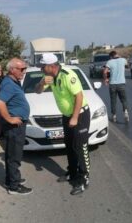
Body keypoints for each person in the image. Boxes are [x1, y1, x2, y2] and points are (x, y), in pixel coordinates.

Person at [35, 53, 91, 195]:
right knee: (69, 145)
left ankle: (84, 178)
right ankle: (72, 173)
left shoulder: (68, 75)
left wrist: (75, 117)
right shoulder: (50, 77)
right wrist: (42, 83)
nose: (41, 69)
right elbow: (38, 92)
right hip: (66, 116)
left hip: (80, 115)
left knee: (80, 146)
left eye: (43, 67)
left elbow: (79, 96)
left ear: (51, 66)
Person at [0, 58, 33, 195]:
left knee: (11, 155)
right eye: (22, 69)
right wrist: (10, 119)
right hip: (14, 127)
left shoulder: (13, 81)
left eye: (25, 68)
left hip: (16, 126)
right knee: (14, 157)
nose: (24, 71)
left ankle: (10, 179)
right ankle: (14, 186)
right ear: (12, 70)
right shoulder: (9, 84)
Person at [103, 50, 129, 123]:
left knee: (113, 101)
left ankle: (114, 116)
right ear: (117, 54)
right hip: (121, 84)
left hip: (112, 84)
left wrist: (106, 79)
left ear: (111, 56)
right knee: (123, 100)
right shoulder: (123, 60)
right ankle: (126, 112)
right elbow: (127, 66)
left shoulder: (109, 62)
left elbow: (105, 72)